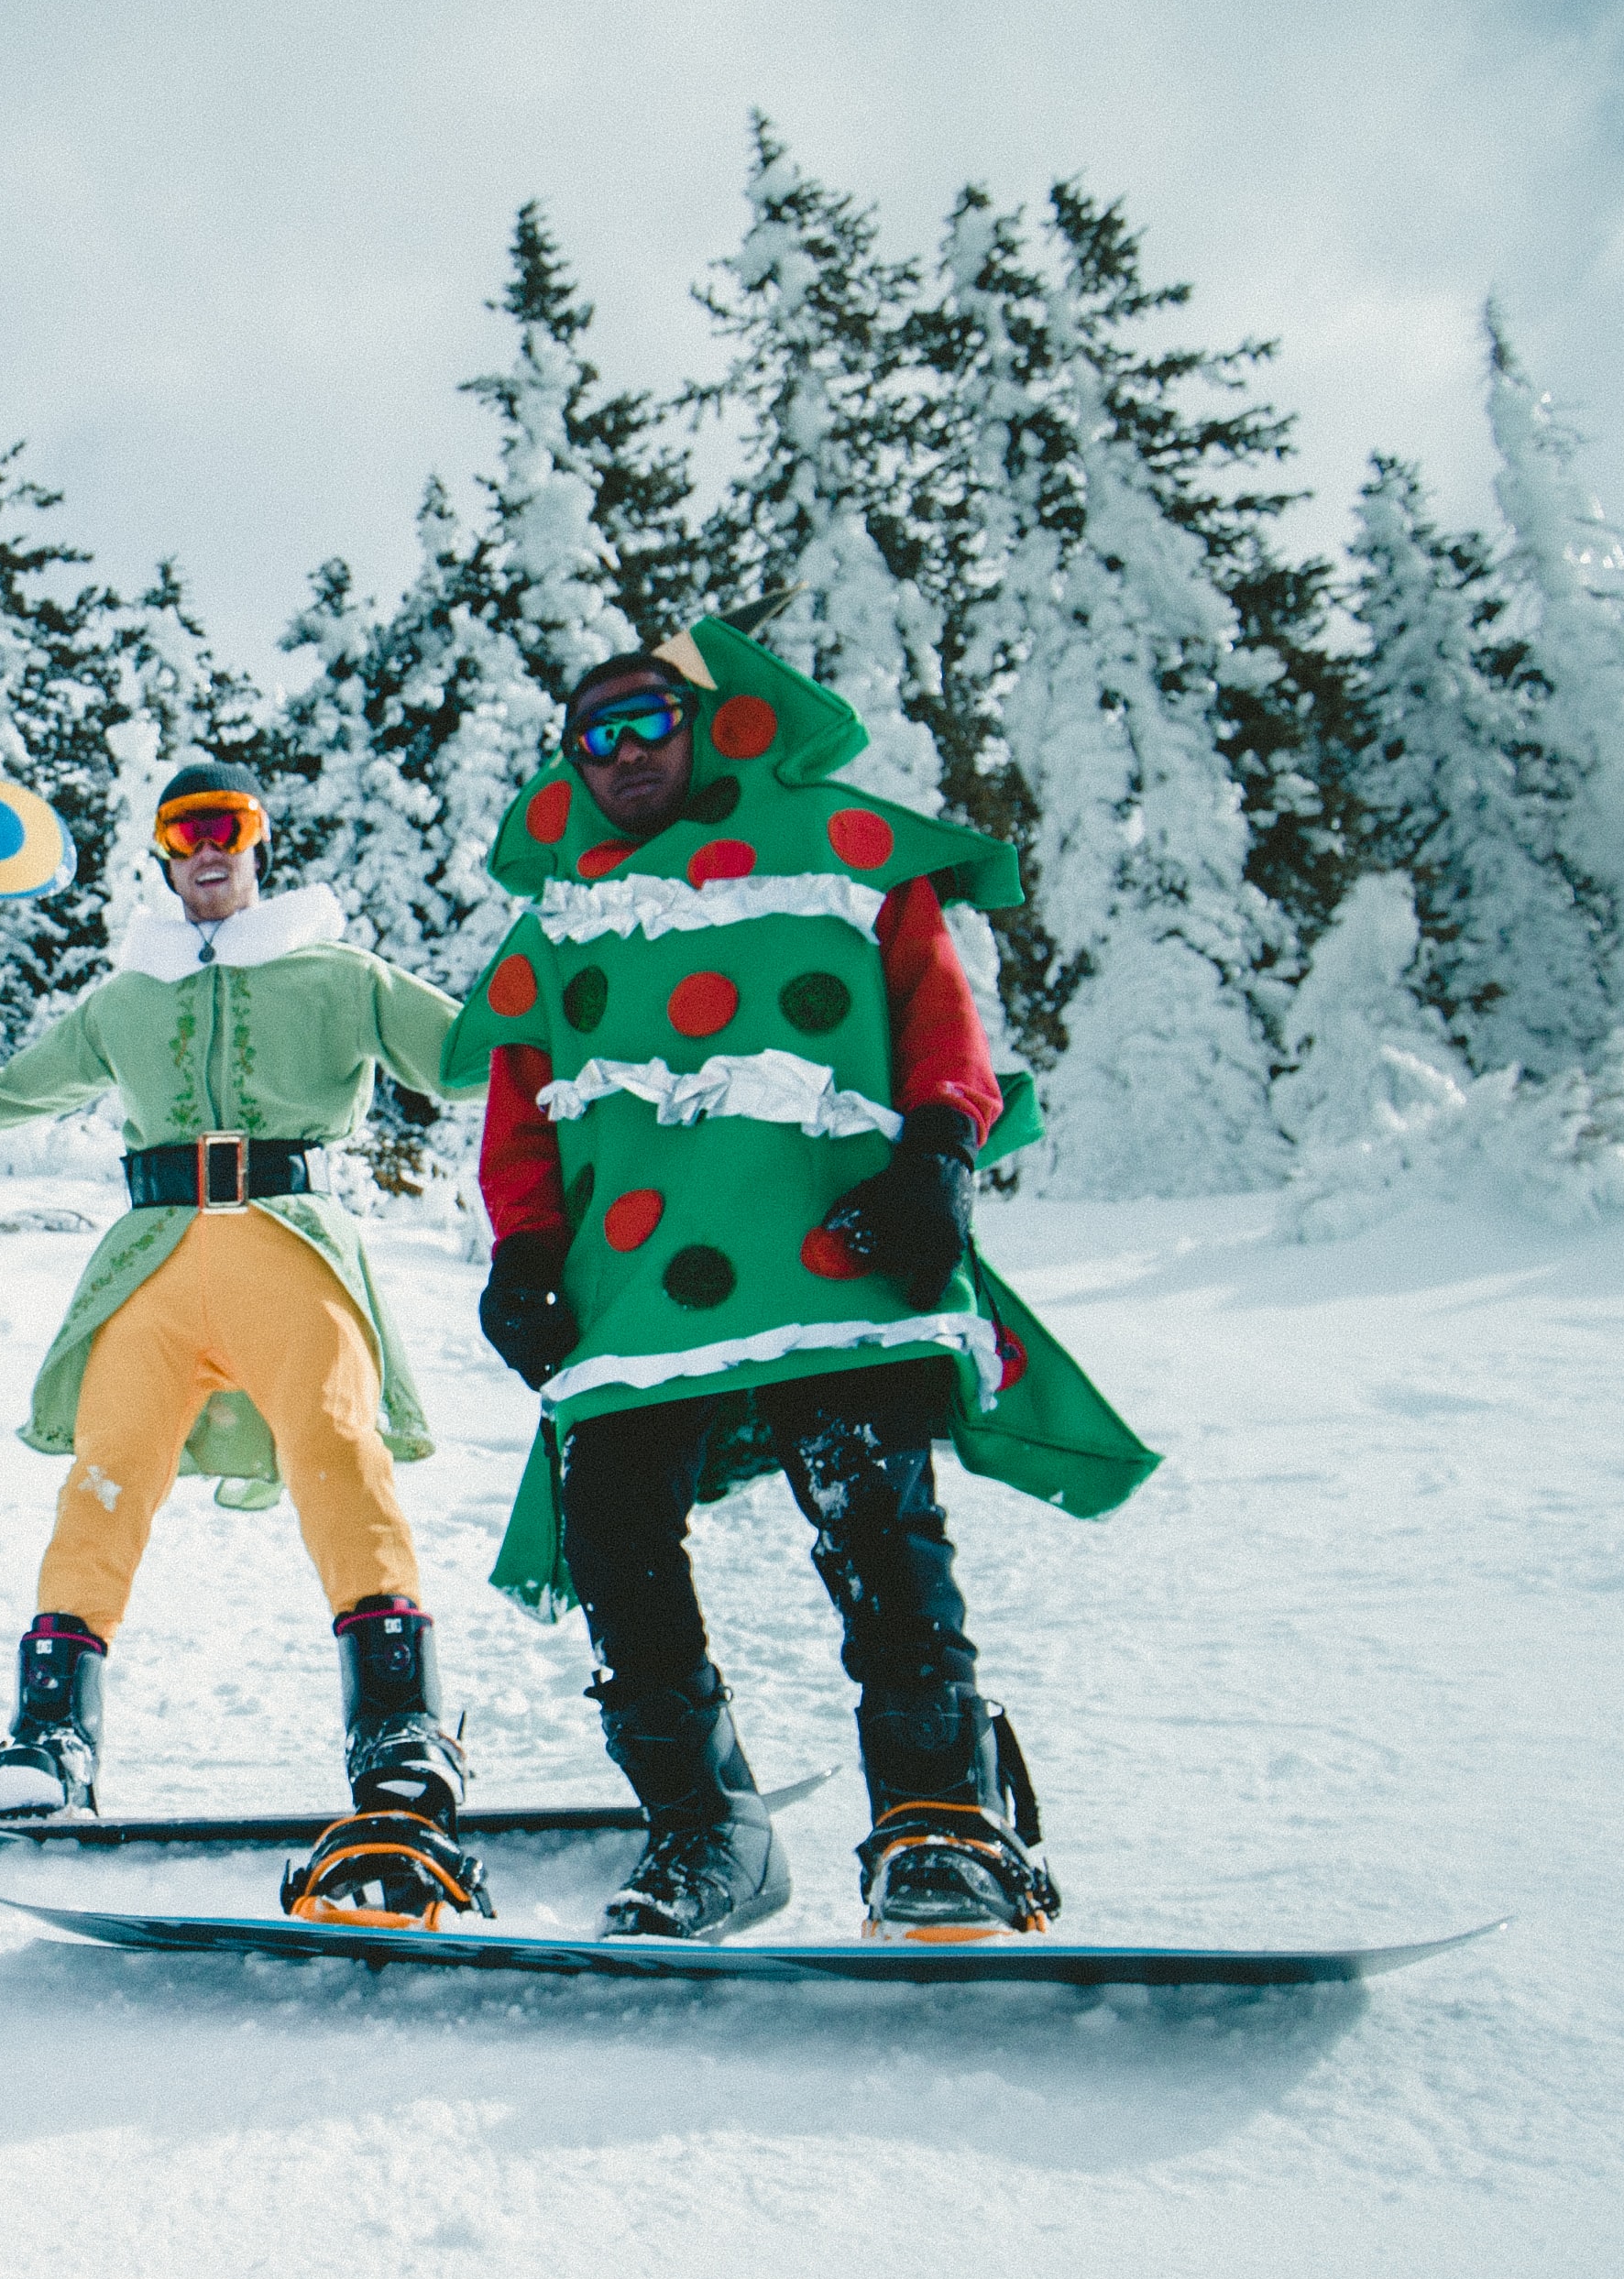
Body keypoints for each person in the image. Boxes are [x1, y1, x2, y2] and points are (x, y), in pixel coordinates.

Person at [461, 617, 1128, 1942]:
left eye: (647, 717)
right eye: (591, 734)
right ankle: (706, 1836)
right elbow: (520, 1100)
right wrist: (524, 1248)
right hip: (637, 1286)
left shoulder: (840, 847)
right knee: (615, 1540)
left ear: (707, 725)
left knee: (875, 1519)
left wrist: (940, 1147)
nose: (622, 751)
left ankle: (942, 1826)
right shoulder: (562, 922)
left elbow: (933, 1006)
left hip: (833, 1253)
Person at [0, 762, 481, 1902]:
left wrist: (571, 991)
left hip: (289, 1242)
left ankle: (397, 1732)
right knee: (104, 1477)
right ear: (163, 855)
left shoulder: (339, 973)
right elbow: (8, 1091)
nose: (209, 848)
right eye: (186, 832)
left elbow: (471, 1058)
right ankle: (49, 1742)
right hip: (152, 1260)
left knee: (338, 1456)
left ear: (258, 840)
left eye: (228, 826)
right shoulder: (123, 998)